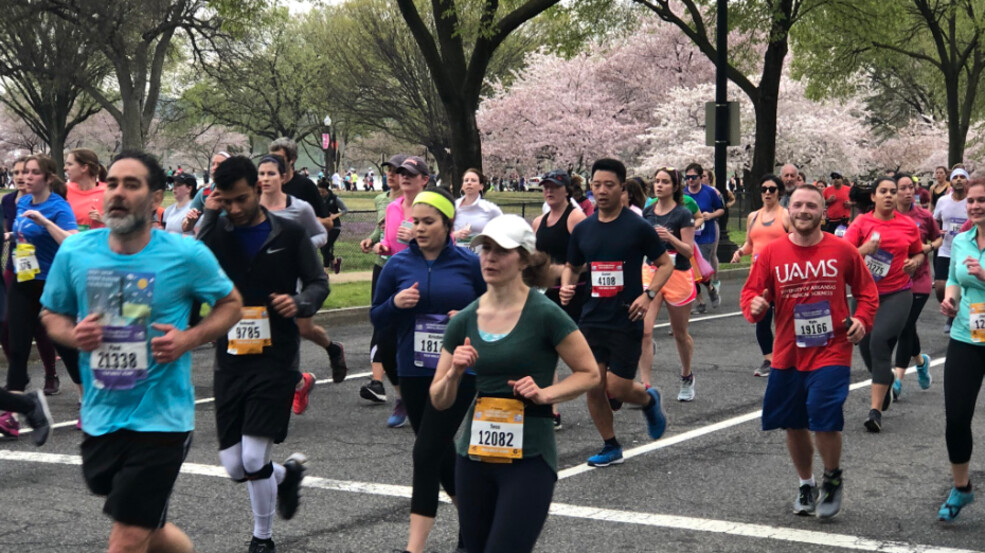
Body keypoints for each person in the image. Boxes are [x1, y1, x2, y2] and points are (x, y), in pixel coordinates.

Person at [39, 150, 242, 553]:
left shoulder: (185, 254)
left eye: (131, 185)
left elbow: (231, 304)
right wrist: (75, 335)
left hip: (161, 417)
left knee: (128, 537)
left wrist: (188, 339)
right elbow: (51, 314)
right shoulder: (76, 251)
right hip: (100, 414)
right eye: (113, 183)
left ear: (155, 199)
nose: (117, 192)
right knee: (148, 526)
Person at [431, 215, 599, 553]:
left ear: (524, 259)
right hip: (474, 457)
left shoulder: (545, 314)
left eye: (501, 251)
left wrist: (546, 394)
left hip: (530, 457)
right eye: (485, 249)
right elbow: (439, 399)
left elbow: (590, 373)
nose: (489, 258)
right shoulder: (465, 319)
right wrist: (454, 374)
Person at [198, 155, 329, 553]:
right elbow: (193, 267)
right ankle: (286, 477)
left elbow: (318, 282)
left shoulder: (288, 233)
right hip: (230, 356)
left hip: (276, 355)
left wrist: (300, 302)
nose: (235, 208)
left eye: (241, 199)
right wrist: (210, 216)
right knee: (235, 466)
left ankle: (262, 538)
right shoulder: (218, 231)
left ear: (257, 188)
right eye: (227, 201)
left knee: (254, 458)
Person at [741, 185, 878, 519]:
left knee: (823, 411)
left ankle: (832, 477)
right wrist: (755, 307)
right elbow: (751, 294)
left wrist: (862, 320)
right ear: (790, 211)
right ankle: (807, 483)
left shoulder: (843, 250)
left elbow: (867, 292)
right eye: (798, 205)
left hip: (832, 348)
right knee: (793, 422)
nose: (804, 211)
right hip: (788, 350)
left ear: (823, 213)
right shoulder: (772, 253)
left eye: (811, 206)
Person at [370, 187, 486, 553]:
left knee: (425, 452)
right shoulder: (398, 265)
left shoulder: (468, 263)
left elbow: (492, 308)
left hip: (458, 370)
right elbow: (377, 317)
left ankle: (414, 548)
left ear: (447, 223)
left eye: (428, 222)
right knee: (438, 450)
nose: (419, 228)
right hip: (414, 369)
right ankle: (473, 530)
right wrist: (395, 302)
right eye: (415, 221)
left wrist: (466, 316)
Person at [560, 158, 674, 467]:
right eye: (596, 185)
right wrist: (567, 285)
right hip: (592, 317)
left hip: (626, 316)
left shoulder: (637, 227)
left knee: (618, 387)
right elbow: (572, 265)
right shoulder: (583, 229)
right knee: (593, 383)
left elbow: (665, 264)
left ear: (622, 188)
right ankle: (610, 444)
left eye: (609, 185)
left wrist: (648, 295)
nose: (602, 191)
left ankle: (648, 399)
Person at [251, 154, 345, 413]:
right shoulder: (251, 207)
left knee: (302, 328)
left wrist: (297, 248)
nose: (265, 179)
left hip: (299, 276)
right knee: (264, 336)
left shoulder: (299, 208)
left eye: (271, 173)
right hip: (265, 279)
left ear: (283, 177)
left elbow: (322, 234)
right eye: (261, 174)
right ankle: (296, 382)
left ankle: (332, 349)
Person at [843, 177, 924, 432]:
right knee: (865, 346)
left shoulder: (908, 225)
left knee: (879, 341)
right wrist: (864, 249)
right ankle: (885, 379)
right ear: (873, 196)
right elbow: (842, 255)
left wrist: (915, 262)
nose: (889, 195)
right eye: (883, 191)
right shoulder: (861, 222)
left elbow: (918, 251)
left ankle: (875, 411)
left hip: (897, 294)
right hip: (865, 295)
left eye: (892, 191)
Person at [5, 155, 82, 414]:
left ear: (48, 178)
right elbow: (24, 232)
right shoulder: (23, 202)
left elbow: (72, 243)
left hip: (52, 283)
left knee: (64, 345)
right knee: (17, 346)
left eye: (34, 172)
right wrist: (10, 235)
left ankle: (87, 398)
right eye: (24, 172)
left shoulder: (59, 207)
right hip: (24, 280)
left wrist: (46, 223)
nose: (26, 177)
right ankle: (12, 411)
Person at [937, 177, 985, 522]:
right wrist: (950, 301)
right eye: (971, 200)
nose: (975, 206)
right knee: (956, 417)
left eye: (982, 200)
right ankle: (961, 486)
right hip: (967, 335)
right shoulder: (962, 240)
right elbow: (954, 279)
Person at [0, 158, 62, 400]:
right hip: (16, 265)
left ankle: (50, 373)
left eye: (24, 172)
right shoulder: (9, 200)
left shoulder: (47, 202)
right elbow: (11, 229)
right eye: (16, 172)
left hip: (44, 270)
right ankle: (18, 375)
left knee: (40, 326)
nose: (20, 177)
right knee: (7, 324)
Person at [532, 169, 588, 429]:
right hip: (547, 293)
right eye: (545, 186)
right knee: (545, 349)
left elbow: (588, 258)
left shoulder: (575, 217)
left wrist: (565, 272)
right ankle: (551, 409)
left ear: (566, 190)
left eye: (554, 186)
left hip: (575, 292)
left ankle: (610, 382)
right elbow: (537, 260)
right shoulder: (538, 222)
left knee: (582, 352)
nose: (549, 191)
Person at [640, 168, 698, 400]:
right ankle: (645, 386)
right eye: (657, 181)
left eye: (665, 182)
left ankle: (686, 375)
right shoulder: (648, 212)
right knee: (644, 330)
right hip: (652, 272)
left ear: (675, 186)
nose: (659, 185)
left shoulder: (683, 214)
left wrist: (669, 237)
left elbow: (689, 251)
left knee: (679, 333)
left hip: (678, 274)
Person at [358, 155, 406, 424]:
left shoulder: (419, 202)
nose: (391, 175)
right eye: (388, 170)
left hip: (409, 269)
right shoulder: (382, 200)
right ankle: (378, 383)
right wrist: (371, 240)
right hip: (383, 266)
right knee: (380, 320)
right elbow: (382, 232)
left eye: (396, 171)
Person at [731, 174, 791, 377]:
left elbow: (795, 243)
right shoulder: (753, 217)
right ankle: (769, 359)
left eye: (772, 189)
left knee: (784, 321)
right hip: (758, 278)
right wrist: (740, 252)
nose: (767, 193)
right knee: (762, 319)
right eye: (764, 189)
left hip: (781, 277)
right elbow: (750, 244)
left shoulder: (786, 216)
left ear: (779, 193)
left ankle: (786, 358)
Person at [891, 174, 940, 399]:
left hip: (919, 280)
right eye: (903, 188)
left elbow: (938, 238)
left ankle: (897, 379)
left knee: (905, 326)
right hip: (895, 280)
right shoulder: (887, 216)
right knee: (907, 326)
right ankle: (921, 362)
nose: (908, 192)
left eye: (911, 187)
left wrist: (928, 248)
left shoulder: (924, 216)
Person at [267, 137, 333, 233]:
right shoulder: (264, 185)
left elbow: (328, 223)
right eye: (271, 158)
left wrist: (303, 221)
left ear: (292, 159)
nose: (274, 162)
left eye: (279, 158)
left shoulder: (306, 186)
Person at [935, 167, 970, 334]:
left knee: (962, 284)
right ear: (951, 181)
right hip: (945, 248)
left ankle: (954, 316)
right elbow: (935, 220)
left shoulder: (972, 201)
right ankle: (952, 307)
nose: (959, 180)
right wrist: (937, 231)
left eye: (962, 177)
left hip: (966, 249)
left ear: (967, 181)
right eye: (955, 177)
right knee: (940, 287)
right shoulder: (943, 201)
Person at [684, 163, 724, 308]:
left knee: (700, 271)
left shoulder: (709, 192)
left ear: (701, 177)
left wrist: (711, 215)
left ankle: (711, 288)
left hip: (706, 235)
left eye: (693, 177)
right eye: (687, 177)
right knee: (690, 270)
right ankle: (701, 302)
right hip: (688, 237)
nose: (690, 180)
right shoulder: (683, 195)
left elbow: (721, 209)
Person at [452, 168, 503, 246]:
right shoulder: (453, 207)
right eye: (466, 180)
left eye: (473, 180)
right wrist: (455, 235)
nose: (469, 183)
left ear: (481, 186)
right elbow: (442, 233)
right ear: (462, 186)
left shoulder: (491, 209)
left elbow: (502, 232)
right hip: (456, 252)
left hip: (481, 252)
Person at [64, 148, 106, 231]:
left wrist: (103, 220)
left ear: (84, 168)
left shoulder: (107, 192)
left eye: (70, 164)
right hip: (69, 239)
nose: (65, 168)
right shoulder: (64, 190)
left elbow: (124, 227)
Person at [316, 179, 348, 275]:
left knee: (325, 248)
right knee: (322, 248)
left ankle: (325, 272)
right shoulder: (318, 199)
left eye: (322, 192)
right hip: (323, 227)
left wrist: (335, 216)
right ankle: (335, 261)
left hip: (335, 227)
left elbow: (345, 210)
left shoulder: (334, 198)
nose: (321, 194)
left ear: (327, 190)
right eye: (319, 192)